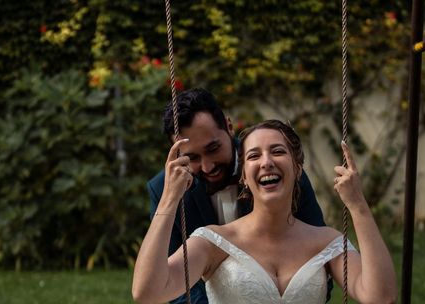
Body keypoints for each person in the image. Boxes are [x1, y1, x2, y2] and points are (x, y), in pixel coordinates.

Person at [133, 119, 398, 304]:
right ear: (244, 177)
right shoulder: (211, 242)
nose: (267, 162)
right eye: (253, 156)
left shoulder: (327, 243)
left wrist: (358, 206)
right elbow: (148, 291)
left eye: (278, 151)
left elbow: (381, 296)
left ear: (297, 168)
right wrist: (169, 199)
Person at [146, 89, 326, 304]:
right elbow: (170, 282)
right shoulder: (163, 189)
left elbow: (318, 261)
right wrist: (169, 199)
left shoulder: (279, 171)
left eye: (213, 148)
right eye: (192, 157)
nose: (207, 166)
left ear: (229, 127)